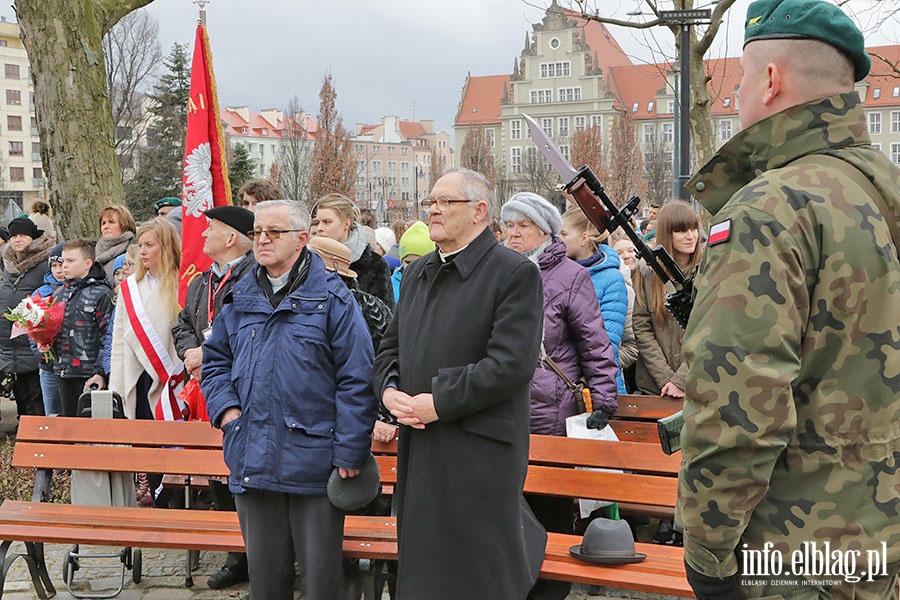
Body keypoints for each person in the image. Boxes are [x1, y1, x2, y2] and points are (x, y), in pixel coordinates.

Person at [680, 1, 900, 598]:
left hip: (796, 557)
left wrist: (708, 553)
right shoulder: (882, 191)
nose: (740, 98)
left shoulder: (771, 207)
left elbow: (738, 406)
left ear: (771, 81)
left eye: (744, 80)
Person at [374, 169, 547, 599]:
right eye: (430, 201)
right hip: (421, 440)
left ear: (479, 211)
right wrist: (388, 391)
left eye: (445, 201)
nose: (432, 209)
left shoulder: (513, 273)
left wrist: (439, 401)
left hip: (479, 447)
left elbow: (511, 364)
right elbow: (388, 348)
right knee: (424, 563)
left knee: (478, 568)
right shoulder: (418, 274)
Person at [202, 200, 377, 600]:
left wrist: (350, 450)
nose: (262, 239)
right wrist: (228, 413)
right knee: (265, 583)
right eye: (258, 231)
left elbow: (357, 377)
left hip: (313, 462)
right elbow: (215, 362)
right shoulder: (239, 294)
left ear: (302, 239)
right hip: (252, 456)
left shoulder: (333, 297)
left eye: (274, 232)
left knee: (320, 582)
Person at [503, 192, 618, 600]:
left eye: (524, 226)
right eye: (510, 225)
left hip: (551, 411)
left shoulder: (571, 276)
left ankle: (548, 592)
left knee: (549, 513)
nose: (514, 234)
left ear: (545, 232)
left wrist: (604, 399)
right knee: (507, 510)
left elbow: (595, 343)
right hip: (503, 413)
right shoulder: (498, 271)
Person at [171, 205, 255, 590]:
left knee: (246, 475)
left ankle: (256, 555)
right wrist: (192, 353)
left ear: (231, 237)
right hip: (207, 389)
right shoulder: (201, 282)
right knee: (218, 476)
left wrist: (214, 355)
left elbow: (259, 331)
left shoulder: (255, 277)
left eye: (210, 230)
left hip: (244, 391)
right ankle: (235, 553)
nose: (201, 236)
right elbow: (183, 324)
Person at [106, 218, 183, 421]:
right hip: (137, 373)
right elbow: (119, 340)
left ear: (166, 247)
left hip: (170, 373)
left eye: (149, 245)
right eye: (140, 245)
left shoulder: (182, 283)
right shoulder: (129, 287)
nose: (143, 251)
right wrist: (116, 384)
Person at [631, 200, 701, 400]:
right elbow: (642, 328)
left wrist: (679, 380)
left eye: (693, 229)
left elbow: (712, 332)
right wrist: (666, 379)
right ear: (667, 234)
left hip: (700, 385)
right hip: (654, 388)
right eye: (681, 231)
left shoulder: (708, 273)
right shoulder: (648, 275)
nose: (690, 236)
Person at [560, 206, 629, 394]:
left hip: (599, 385)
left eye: (564, 234)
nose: (558, 239)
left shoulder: (611, 279)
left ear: (584, 238)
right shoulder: (558, 274)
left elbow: (607, 342)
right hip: (562, 380)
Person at [41, 239, 113, 417]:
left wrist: (100, 372)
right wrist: (45, 344)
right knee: (69, 426)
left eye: (70, 261)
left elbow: (108, 337)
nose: (64, 266)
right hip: (64, 371)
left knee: (93, 429)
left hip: (90, 374)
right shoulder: (58, 294)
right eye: (63, 261)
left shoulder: (102, 293)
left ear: (88, 263)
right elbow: (54, 330)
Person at [0, 217, 52, 419]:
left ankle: (38, 430)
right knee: (21, 389)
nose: (17, 240)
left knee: (36, 391)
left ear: (33, 238)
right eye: (13, 236)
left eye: (23, 235)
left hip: (33, 338)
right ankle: (24, 425)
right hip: (10, 340)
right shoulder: (9, 264)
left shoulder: (43, 263)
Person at [312, 194, 394, 308]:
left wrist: (351, 292)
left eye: (327, 222)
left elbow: (386, 319)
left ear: (346, 223)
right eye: (317, 222)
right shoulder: (308, 261)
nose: (319, 228)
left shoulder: (375, 264)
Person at [32, 243, 65, 416]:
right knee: (51, 413)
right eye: (54, 266)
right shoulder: (40, 293)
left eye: (61, 264)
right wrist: (39, 348)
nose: (58, 270)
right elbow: (30, 326)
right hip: (48, 365)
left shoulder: (74, 290)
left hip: (72, 364)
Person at [390, 220, 434, 304]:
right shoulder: (392, 285)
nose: (414, 267)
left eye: (419, 262)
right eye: (408, 262)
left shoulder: (439, 285)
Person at [95, 204, 137, 281]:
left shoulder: (133, 251)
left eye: (111, 222)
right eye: (103, 223)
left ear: (125, 225)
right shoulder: (94, 252)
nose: (106, 226)